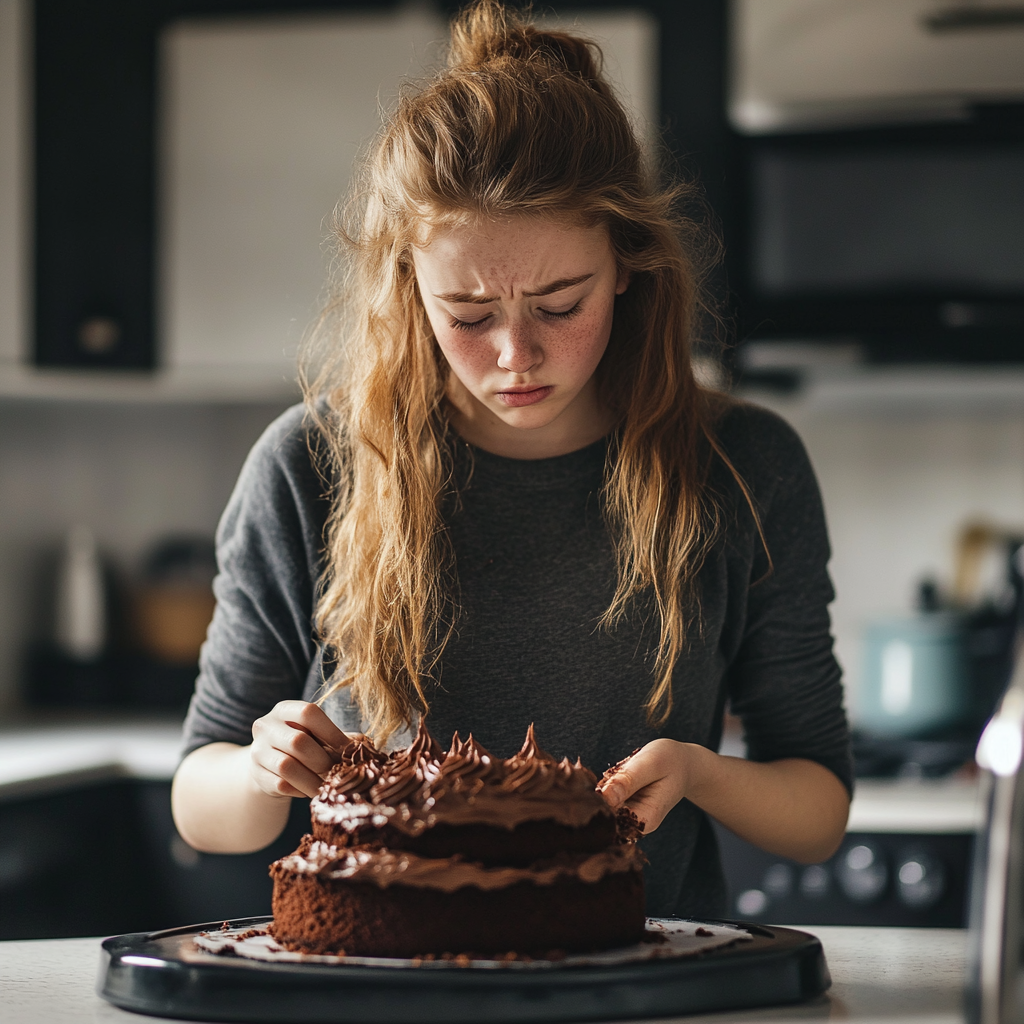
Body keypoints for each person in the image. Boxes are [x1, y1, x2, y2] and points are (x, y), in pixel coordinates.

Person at [171, 0, 851, 920]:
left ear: (626, 265)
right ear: (408, 286)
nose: (515, 355)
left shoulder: (743, 465)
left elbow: (816, 812)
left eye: (560, 304)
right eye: (470, 314)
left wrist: (697, 774)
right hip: (381, 988)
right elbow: (202, 804)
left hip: (637, 989)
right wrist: (259, 769)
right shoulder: (309, 466)